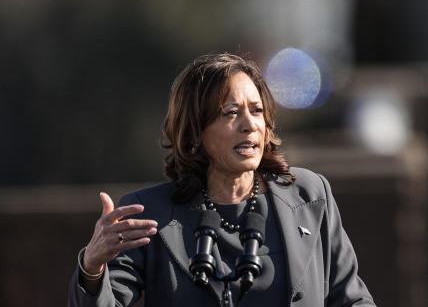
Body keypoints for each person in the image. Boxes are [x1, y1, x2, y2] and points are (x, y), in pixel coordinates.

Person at [68, 52, 377, 307]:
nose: (249, 125)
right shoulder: (149, 213)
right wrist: (92, 268)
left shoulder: (309, 196)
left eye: (256, 111)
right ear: (195, 131)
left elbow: (352, 299)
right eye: (231, 113)